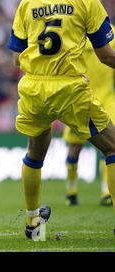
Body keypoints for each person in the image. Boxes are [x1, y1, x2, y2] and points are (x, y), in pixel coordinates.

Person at [7, 0, 115, 241]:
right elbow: (105, 56)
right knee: (113, 148)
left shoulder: (28, 1)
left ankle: (33, 224)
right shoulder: (87, 0)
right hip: (69, 88)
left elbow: (17, 59)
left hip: (33, 87)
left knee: (35, 154)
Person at [63, 26, 115, 207]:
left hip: (107, 99)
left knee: (110, 144)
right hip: (81, 97)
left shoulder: (112, 34)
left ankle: (106, 192)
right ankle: (71, 192)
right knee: (75, 148)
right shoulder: (73, 33)